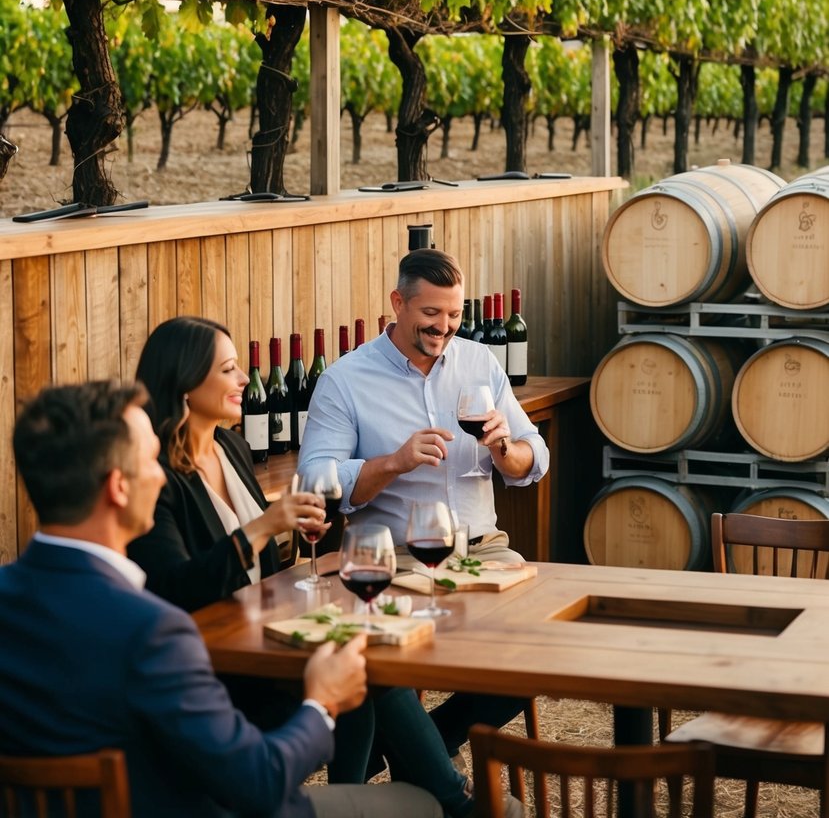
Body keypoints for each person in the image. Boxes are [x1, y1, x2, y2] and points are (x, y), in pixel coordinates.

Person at [0, 379, 440, 818]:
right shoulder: (154, 631)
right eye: (152, 461)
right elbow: (259, 781)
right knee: (420, 804)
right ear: (118, 487)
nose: (162, 475)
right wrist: (322, 704)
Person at [128, 315, 475, 817]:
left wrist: (290, 542)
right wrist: (266, 526)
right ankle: (453, 799)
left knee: (364, 656)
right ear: (185, 382)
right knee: (364, 666)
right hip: (217, 667)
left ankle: (389, 795)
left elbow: (263, 572)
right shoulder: (157, 475)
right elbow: (174, 588)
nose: (245, 380)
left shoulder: (231, 447)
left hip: (260, 636)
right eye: (229, 370)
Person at [299, 248, 550, 761]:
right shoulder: (346, 380)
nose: (445, 328)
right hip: (394, 562)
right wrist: (392, 462)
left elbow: (535, 459)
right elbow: (314, 477)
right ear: (398, 303)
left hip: (486, 553)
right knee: (395, 660)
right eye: (431, 314)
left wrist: (505, 450)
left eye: (454, 315)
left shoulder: (479, 363)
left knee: (537, 648)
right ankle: (427, 761)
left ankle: (424, 747)